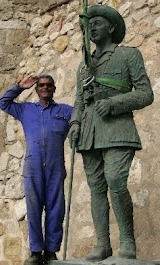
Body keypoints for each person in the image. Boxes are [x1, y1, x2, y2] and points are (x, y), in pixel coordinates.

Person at [68, 4, 154, 261]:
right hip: (89, 132)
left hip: (118, 129)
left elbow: (145, 94)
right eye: (89, 24)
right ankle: (102, 244)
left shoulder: (129, 56)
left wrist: (114, 103)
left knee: (116, 180)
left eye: (98, 23)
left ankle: (127, 241)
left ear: (112, 28)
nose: (91, 27)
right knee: (96, 188)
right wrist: (74, 124)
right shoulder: (84, 66)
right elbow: (79, 101)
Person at [0, 74, 73, 265]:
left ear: (54, 89)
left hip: (55, 166)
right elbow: (3, 103)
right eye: (41, 85)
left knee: (56, 209)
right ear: (37, 89)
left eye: (49, 85)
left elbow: (82, 117)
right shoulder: (26, 110)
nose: (45, 87)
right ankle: (35, 251)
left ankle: (50, 251)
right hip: (33, 166)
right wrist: (20, 87)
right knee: (33, 208)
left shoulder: (65, 111)